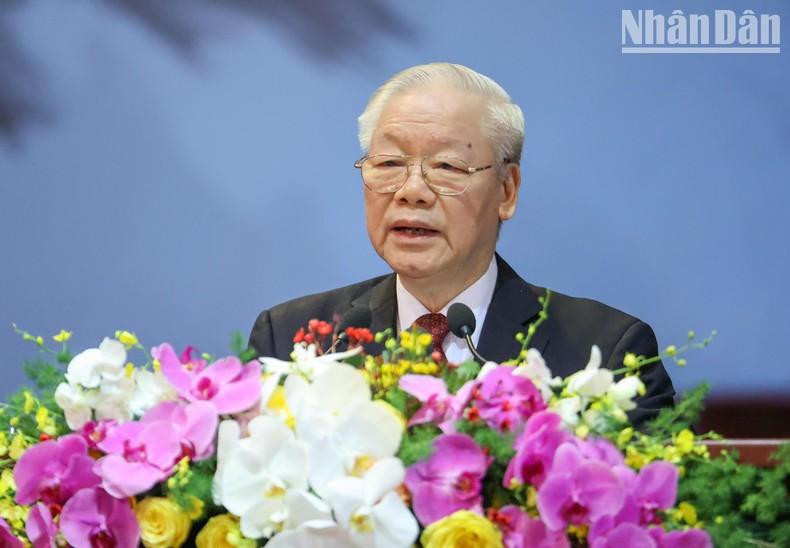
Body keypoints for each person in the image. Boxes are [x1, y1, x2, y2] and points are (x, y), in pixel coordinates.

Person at [249, 62, 674, 423]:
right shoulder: (289, 340)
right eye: (390, 163)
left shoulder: (607, 353)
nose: (411, 190)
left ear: (507, 191)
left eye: (448, 165)